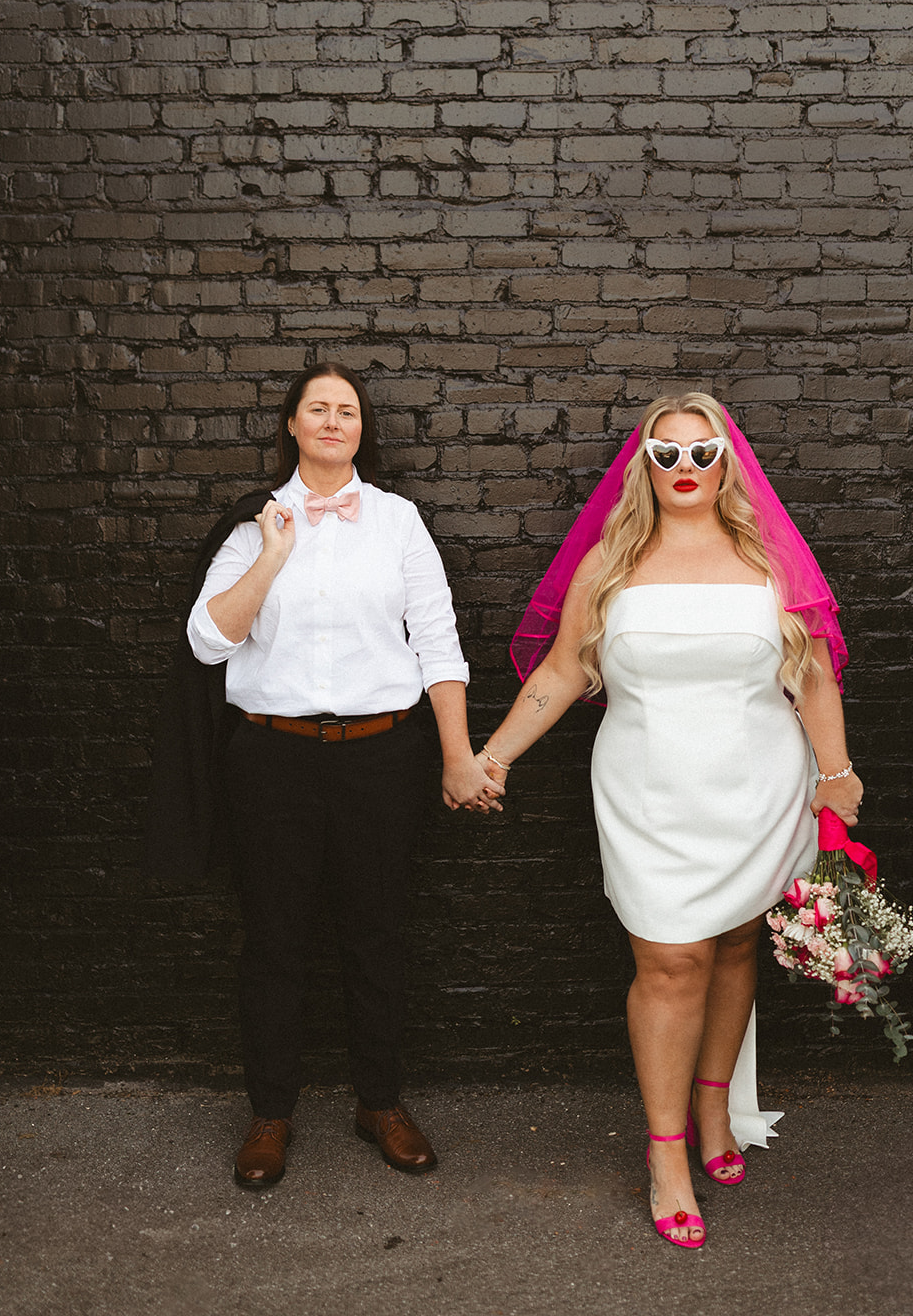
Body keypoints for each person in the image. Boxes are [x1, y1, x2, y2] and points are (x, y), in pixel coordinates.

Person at [472, 392, 863, 1248]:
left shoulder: (769, 558)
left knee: (729, 944)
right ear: (643, 465)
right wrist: (490, 757)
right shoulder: (610, 562)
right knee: (671, 960)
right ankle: (665, 1152)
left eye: (701, 451)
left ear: (728, 460)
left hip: (759, 786)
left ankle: (715, 1114)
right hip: (648, 792)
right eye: (666, 453)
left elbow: (815, 678)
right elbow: (560, 675)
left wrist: (835, 775)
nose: (684, 468)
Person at [152, 361, 499, 1191]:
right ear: (294, 427)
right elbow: (208, 642)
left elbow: (438, 645)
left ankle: (379, 1102)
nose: (334, 421)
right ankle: (270, 1113)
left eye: (347, 410)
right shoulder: (251, 526)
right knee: (273, 940)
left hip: (382, 755)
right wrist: (273, 555)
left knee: (376, 933)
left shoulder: (398, 522)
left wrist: (456, 755)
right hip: (271, 759)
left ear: (360, 430)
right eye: (319, 408)